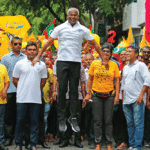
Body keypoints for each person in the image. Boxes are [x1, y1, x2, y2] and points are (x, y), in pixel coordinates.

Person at [33, 7, 104, 133]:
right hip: (62, 62)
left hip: (76, 63)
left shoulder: (82, 29)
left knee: (73, 93)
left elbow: (95, 44)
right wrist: (38, 56)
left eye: (75, 15)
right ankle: (61, 118)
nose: (73, 17)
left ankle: (73, 117)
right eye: (70, 15)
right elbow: (48, 42)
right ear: (67, 16)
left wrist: (103, 57)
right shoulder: (60, 28)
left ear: (78, 16)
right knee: (62, 90)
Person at [85, 43, 120, 150]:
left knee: (108, 121)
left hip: (109, 96)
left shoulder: (114, 64)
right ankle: (98, 143)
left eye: (107, 51)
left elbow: (117, 81)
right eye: (103, 50)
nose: (105, 53)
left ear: (110, 53)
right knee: (97, 121)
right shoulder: (94, 63)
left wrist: (117, 96)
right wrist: (88, 93)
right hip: (96, 96)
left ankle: (108, 143)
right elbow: (90, 80)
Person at [12, 42, 47, 150]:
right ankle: (19, 144)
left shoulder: (42, 64)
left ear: (37, 51)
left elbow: (43, 81)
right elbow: (15, 80)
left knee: (35, 122)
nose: (32, 51)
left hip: (36, 98)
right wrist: (23, 89)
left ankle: (33, 144)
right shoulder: (19, 64)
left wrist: (36, 90)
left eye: (34, 49)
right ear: (26, 51)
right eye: (30, 49)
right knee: (20, 121)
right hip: (22, 98)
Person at [122, 46, 150, 150]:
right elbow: (124, 84)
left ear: (136, 54)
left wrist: (141, 95)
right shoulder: (125, 67)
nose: (127, 53)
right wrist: (123, 99)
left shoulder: (141, 65)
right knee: (130, 124)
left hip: (137, 100)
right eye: (127, 51)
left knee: (138, 123)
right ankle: (132, 144)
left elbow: (147, 81)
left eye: (130, 52)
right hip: (126, 101)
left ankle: (138, 146)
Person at [1, 37, 26, 146]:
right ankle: (8, 138)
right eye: (15, 44)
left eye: (20, 44)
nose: (18, 46)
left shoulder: (26, 58)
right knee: (9, 116)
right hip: (10, 90)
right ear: (11, 45)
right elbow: (3, 76)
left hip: (23, 91)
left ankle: (21, 137)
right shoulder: (5, 58)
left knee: (22, 116)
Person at [113, 50, 128, 149]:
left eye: (125, 54)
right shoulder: (117, 67)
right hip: (118, 98)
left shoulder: (132, 67)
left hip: (128, 98)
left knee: (126, 121)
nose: (122, 56)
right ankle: (118, 140)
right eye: (121, 54)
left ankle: (125, 141)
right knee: (116, 120)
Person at [84, 53, 95, 149]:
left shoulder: (97, 70)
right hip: (86, 100)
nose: (88, 61)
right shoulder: (83, 71)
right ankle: (87, 136)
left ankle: (93, 139)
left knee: (95, 120)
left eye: (90, 59)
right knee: (86, 120)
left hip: (96, 99)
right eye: (86, 60)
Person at [141, 46, 150, 147]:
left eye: (148, 52)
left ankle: (147, 139)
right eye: (145, 52)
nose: (146, 54)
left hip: (148, 95)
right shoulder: (138, 64)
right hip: (139, 94)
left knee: (147, 118)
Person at [0, 64, 10, 150]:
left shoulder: (3, 67)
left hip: (1, 100)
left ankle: (1, 142)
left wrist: (5, 90)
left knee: (1, 122)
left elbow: (7, 81)